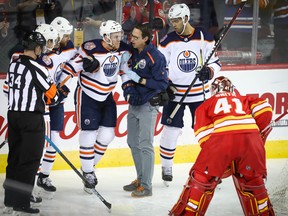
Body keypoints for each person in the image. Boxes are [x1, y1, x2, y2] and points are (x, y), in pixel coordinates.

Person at [169, 76, 275, 215]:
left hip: (222, 142)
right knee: (253, 182)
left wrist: (220, 161)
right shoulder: (244, 99)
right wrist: (255, 135)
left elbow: (204, 137)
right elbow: (265, 109)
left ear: (214, 90)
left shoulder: (206, 104)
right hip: (252, 140)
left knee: (201, 180)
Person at [157, 3, 221, 184]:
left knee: (205, 133)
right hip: (175, 94)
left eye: (177, 21)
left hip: (198, 95)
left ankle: (212, 168)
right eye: (172, 21)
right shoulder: (168, 40)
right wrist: (166, 84)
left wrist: (208, 72)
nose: (174, 24)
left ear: (185, 18)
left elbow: (216, 63)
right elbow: (160, 67)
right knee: (171, 130)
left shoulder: (204, 37)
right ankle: (167, 168)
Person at [2, 31, 60, 215]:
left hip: (13, 116)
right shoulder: (38, 68)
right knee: (29, 162)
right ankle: (22, 202)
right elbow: (54, 97)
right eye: (41, 47)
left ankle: (10, 199)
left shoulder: (13, 65)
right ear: (36, 48)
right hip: (31, 120)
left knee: (15, 159)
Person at [75, 20, 132, 194]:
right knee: (89, 133)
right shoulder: (89, 48)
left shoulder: (124, 49)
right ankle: (89, 173)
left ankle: (88, 167)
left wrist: (128, 88)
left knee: (108, 134)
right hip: (88, 94)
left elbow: (124, 71)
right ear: (106, 37)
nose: (119, 39)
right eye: (116, 36)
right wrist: (60, 85)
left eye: (120, 35)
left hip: (107, 95)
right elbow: (71, 66)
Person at [35, 17, 80, 197]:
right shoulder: (41, 55)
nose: (68, 38)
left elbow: (72, 65)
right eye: (65, 35)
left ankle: (44, 175)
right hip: (42, 104)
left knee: (55, 140)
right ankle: (32, 177)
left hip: (57, 103)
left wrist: (62, 87)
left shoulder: (68, 48)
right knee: (39, 143)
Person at [122, 23, 168, 197]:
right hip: (134, 103)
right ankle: (141, 179)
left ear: (145, 39)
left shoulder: (155, 56)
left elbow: (163, 83)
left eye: (135, 37)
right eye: (131, 36)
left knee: (145, 145)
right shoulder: (134, 51)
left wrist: (141, 81)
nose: (131, 39)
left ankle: (147, 186)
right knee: (132, 142)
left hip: (148, 105)